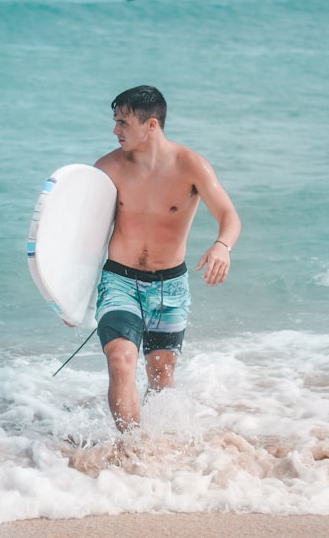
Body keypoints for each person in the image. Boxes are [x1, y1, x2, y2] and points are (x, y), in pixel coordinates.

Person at [93, 85, 241, 432]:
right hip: (119, 281)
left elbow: (229, 216)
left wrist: (222, 245)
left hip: (169, 287)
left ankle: (157, 443)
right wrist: (66, 292)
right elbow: (78, 233)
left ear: (152, 125)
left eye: (123, 123)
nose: (115, 131)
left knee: (160, 375)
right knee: (120, 359)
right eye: (116, 121)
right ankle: (131, 450)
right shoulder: (107, 168)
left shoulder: (190, 166)